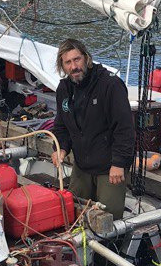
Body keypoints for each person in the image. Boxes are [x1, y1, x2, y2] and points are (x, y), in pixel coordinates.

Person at [51, 37, 135, 219]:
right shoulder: (64, 90)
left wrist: (119, 163)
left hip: (109, 167)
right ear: (62, 66)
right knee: (72, 210)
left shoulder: (110, 85)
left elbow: (125, 127)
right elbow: (61, 126)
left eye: (77, 59)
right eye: (68, 62)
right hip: (82, 165)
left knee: (108, 218)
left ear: (86, 58)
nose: (74, 67)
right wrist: (61, 148)